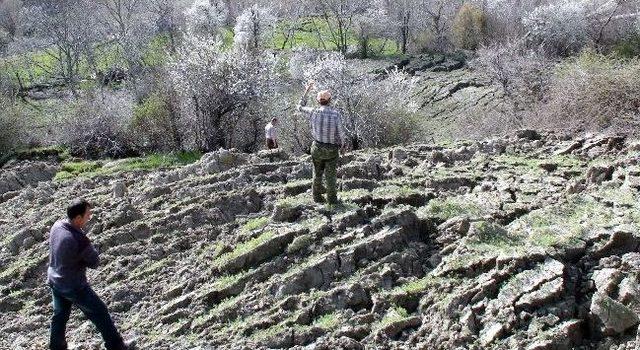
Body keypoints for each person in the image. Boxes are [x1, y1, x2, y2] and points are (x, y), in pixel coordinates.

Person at [48, 199, 133, 350]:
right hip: (74, 286)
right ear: (78, 218)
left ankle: (56, 346)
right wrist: (91, 247)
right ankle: (117, 346)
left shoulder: (57, 226)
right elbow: (94, 262)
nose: (90, 217)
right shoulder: (79, 240)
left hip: (55, 280)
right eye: (87, 214)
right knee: (100, 312)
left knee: (60, 316)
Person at [297, 81, 347, 205]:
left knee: (317, 173)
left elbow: (299, 107)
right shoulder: (336, 114)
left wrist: (307, 90)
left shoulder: (313, 111)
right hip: (331, 150)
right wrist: (343, 146)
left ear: (318, 101)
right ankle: (332, 200)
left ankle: (317, 197)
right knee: (331, 176)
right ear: (330, 100)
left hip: (317, 147)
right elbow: (341, 133)